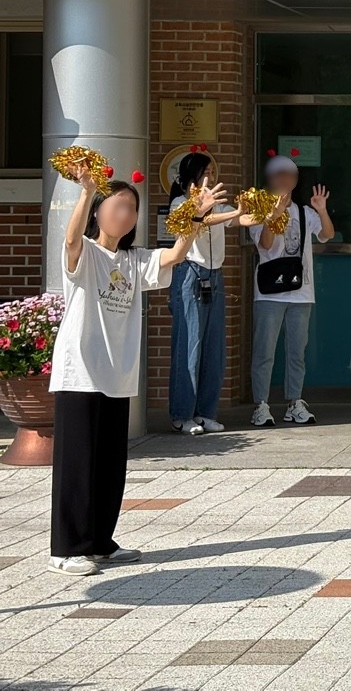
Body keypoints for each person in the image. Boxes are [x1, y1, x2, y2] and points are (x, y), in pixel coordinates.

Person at [49, 163, 223, 576]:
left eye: (132, 208)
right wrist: (87, 190)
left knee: (109, 462)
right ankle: (66, 548)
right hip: (80, 371)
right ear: (99, 211)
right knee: (77, 461)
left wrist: (195, 216)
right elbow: (71, 238)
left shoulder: (134, 260)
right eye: (117, 205)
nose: (125, 214)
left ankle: (100, 544)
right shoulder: (86, 252)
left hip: (116, 374)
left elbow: (178, 254)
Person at [166, 150, 251, 437]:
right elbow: (198, 220)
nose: (211, 178)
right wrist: (229, 212)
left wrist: (271, 210)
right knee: (189, 345)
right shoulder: (180, 203)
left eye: (212, 173)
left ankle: (205, 413)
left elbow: (241, 220)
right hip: (190, 274)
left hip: (214, 276)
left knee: (214, 347)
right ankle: (181, 414)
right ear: (191, 177)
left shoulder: (215, 205)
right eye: (206, 173)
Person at [250, 153, 334, 427]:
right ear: (271, 178)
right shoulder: (258, 210)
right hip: (269, 292)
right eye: (279, 174)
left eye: (290, 175)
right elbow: (265, 243)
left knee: (297, 351)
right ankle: (261, 405)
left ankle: (294, 402)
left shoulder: (304, 212)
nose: (285, 179)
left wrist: (321, 209)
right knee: (265, 350)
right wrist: (273, 214)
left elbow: (327, 235)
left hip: (301, 292)